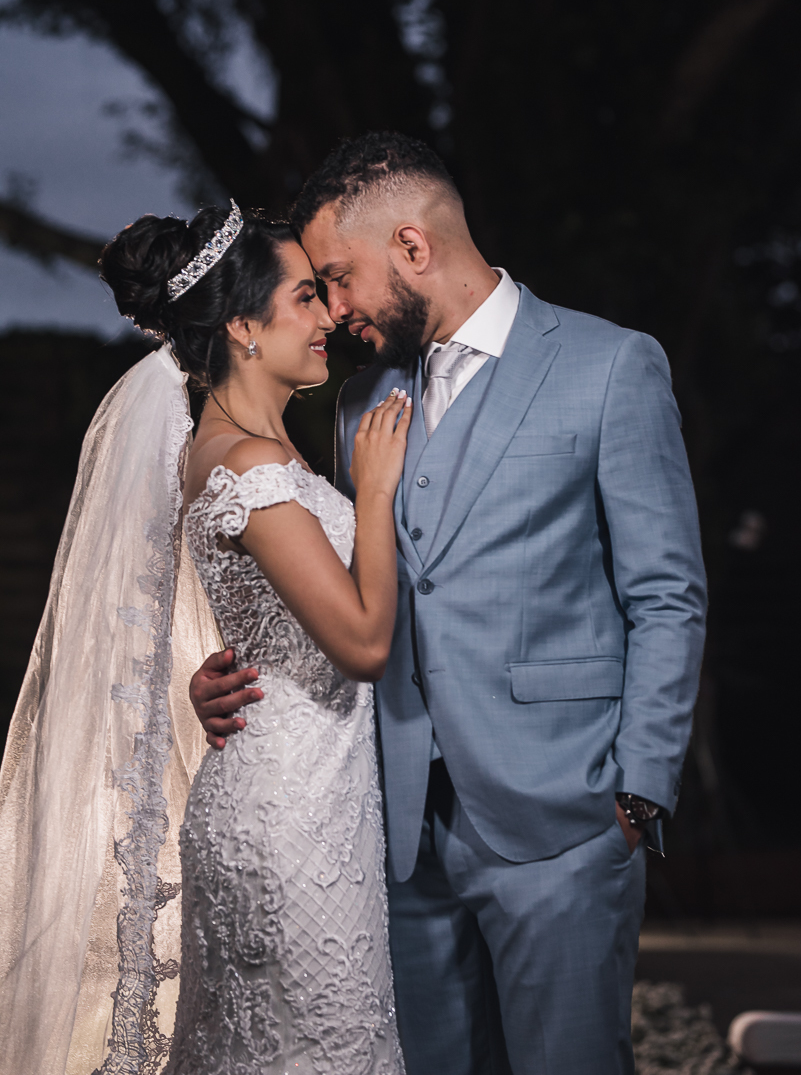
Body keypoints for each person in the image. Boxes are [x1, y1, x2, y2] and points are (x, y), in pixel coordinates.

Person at [192, 134, 708, 1075]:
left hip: (563, 820)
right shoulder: (360, 400)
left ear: (412, 247)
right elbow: (334, 583)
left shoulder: (608, 364)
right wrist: (217, 673)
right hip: (388, 831)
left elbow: (666, 593)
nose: (334, 308)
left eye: (338, 277)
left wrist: (638, 789)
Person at [0, 202, 410, 1075]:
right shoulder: (249, 465)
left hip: (299, 794)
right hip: (290, 820)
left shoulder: (244, 451)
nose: (328, 314)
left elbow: (254, 618)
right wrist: (374, 492)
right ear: (242, 327)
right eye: (304, 296)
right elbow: (364, 645)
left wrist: (205, 676)